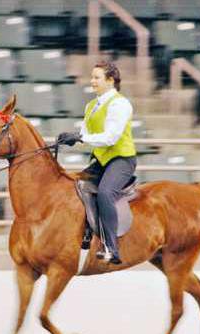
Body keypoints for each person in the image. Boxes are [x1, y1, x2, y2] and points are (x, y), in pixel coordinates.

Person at [57, 60, 137, 264]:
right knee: (73, 187)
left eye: (96, 78)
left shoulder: (120, 104)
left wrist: (80, 137)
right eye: (92, 77)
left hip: (121, 159)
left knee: (105, 192)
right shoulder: (91, 105)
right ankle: (86, 233)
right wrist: (72, 137)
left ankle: (112, 247)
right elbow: (86, 133)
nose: (92, 81)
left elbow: (110, 137)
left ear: (110, 80)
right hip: (101, 160)